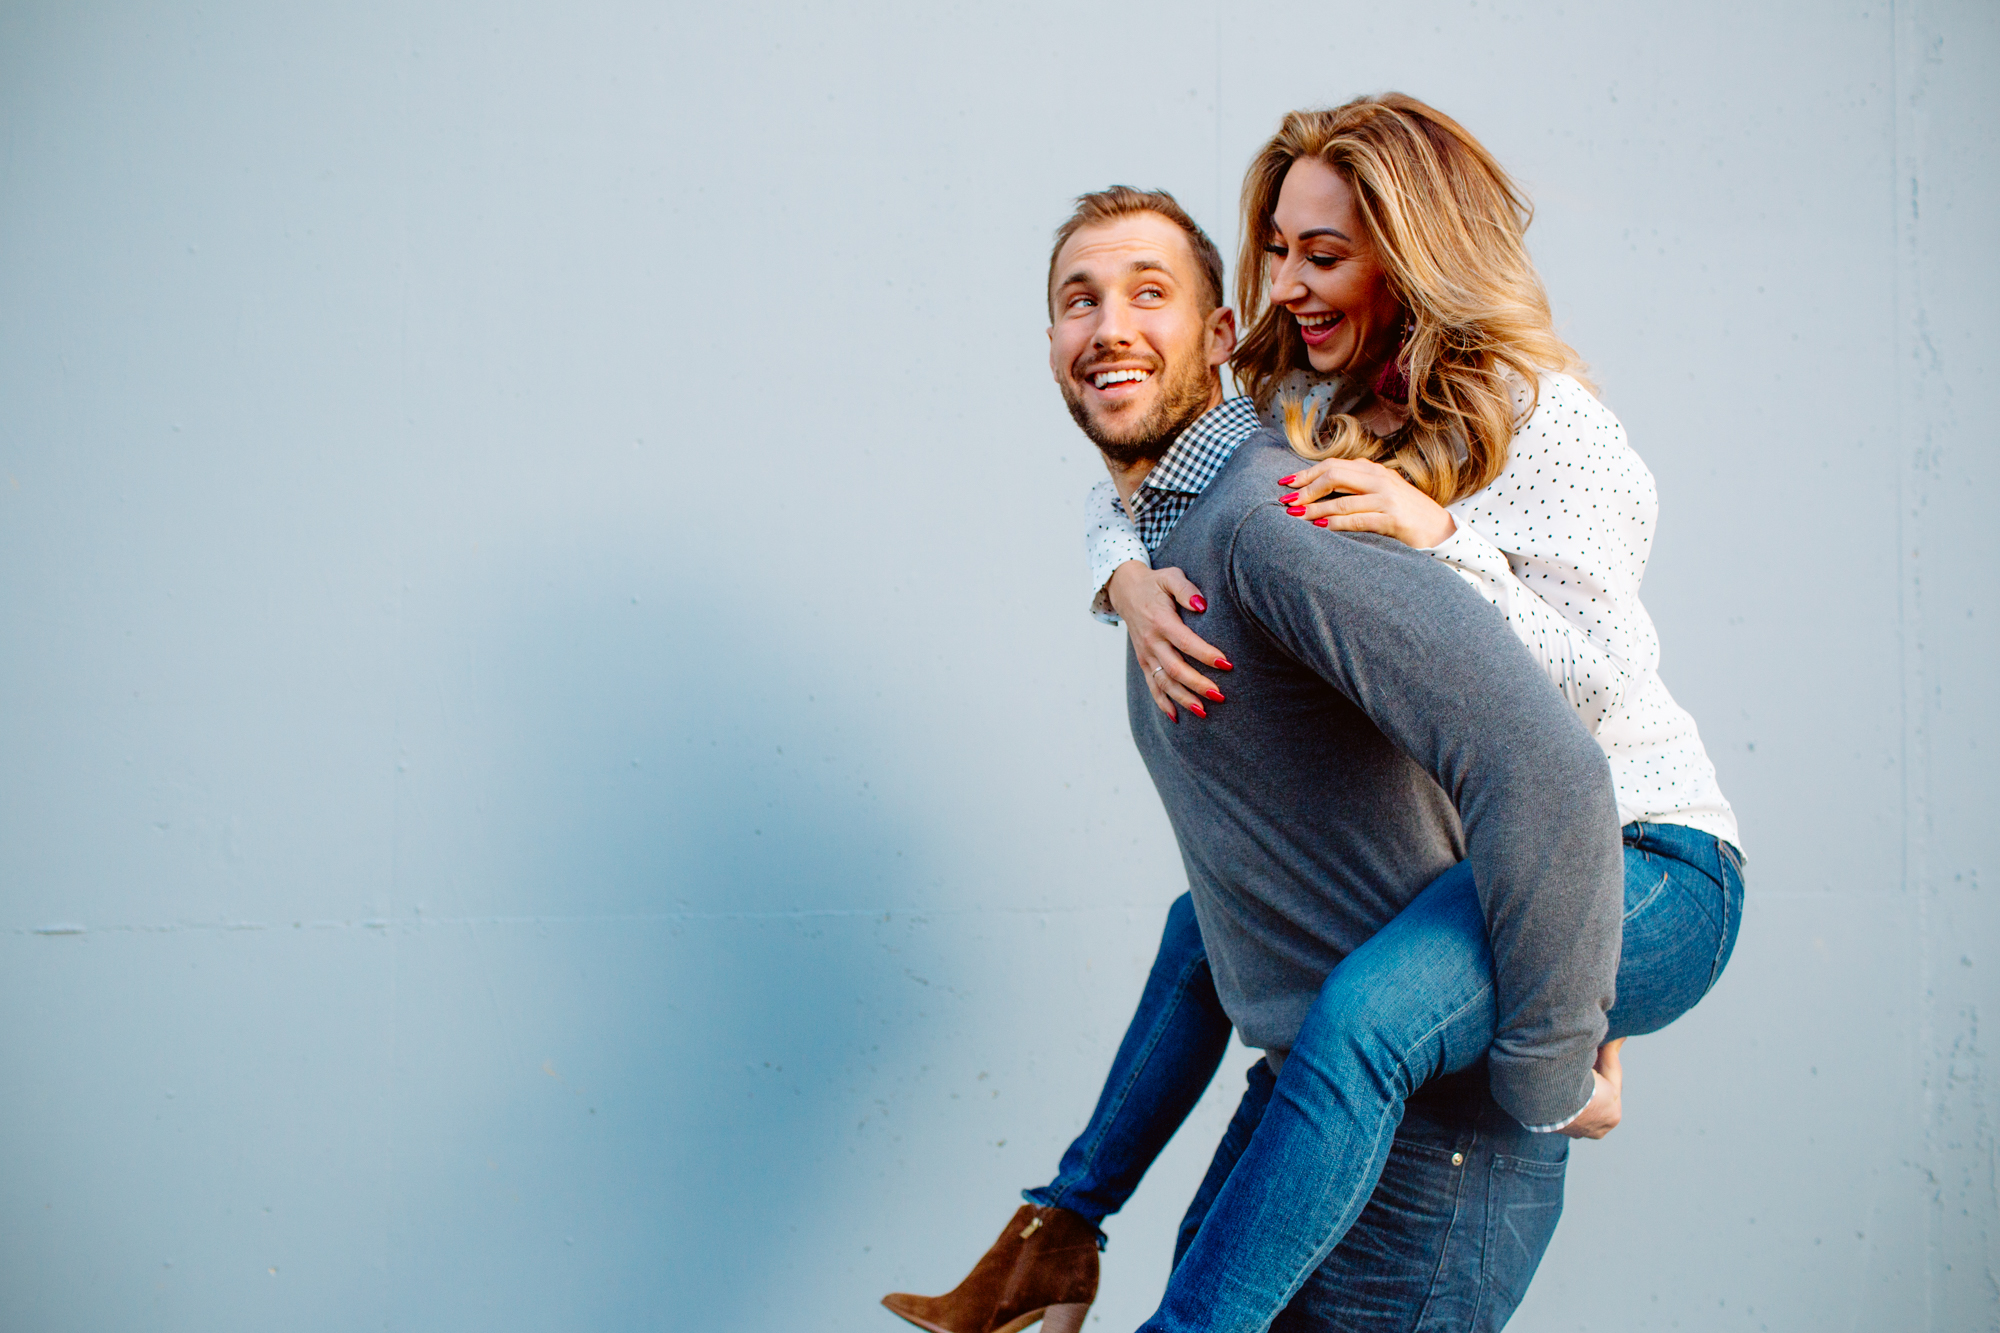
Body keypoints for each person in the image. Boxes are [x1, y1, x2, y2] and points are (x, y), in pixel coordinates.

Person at [891, 94, 1744, 1332]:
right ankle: (1059, 1225)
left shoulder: (1550, 428)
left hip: (1641, 840)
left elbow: (1585, 707)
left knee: (1364, 1019)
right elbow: (1165, 450)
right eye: (1278, 250)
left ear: (1410, 256)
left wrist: (1444, 540)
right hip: (1485, 850)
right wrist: (1119, 579)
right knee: (1213, 911)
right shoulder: (1308, 412)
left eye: (1323, 254)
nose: (1289, 282)